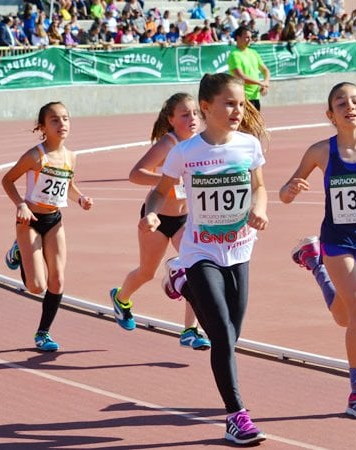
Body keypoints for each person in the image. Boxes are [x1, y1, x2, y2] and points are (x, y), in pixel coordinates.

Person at [142, 73, 268, 445]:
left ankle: (179, 282)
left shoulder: (248, 146)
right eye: (230, 103)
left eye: (241, 104)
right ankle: (236, 416)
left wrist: (260, 209)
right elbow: (158, 192)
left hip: (240, 248)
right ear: (207, 107)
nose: (237, 110)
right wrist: (151, 213)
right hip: (200, 250)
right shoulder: (185, 152)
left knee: (231, 334)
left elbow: (260, 186)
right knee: (222, 335)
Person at [279, 82, 356, 419]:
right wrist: (290, 189)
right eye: (341, 103)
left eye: (354, 101)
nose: (349, 106)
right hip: (337, 243)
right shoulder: (321, 152)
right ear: (330, 115)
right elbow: (284, 193)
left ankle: (313, 262)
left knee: (344, 317)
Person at [109, 93, 211, 350]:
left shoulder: (201, 143)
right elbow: (136, 174)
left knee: (197, 268)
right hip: (156, 217)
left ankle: (190, 330)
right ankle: (121, 299)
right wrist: (166, 179)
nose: (193, 119)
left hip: (185, 219)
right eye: (185, 115)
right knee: (146, 273)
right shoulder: (169, 143)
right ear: (171, 119)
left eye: (195, 114)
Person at [0, 102, 93, 352]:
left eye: (65, 118)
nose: (61, 124)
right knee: (36, 286)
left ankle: (43, 333)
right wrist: (21, 204)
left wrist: (81, 198)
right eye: (54, 120)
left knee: (58, 281)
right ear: (42, 127)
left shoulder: (71, 157)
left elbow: (68, 187)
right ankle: (18, 251)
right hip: (29, 220)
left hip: (54, 220)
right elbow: (7, 180)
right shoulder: (35, 156)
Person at [227, 26, 270, 111]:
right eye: (247, 37)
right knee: (244, 124)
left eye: (251, 37)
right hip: (242, 98)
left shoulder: (253, 52)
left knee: (256, 124)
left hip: (255, 96)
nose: (250, 40)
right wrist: (260, 83)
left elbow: (265, 70)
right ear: (238, 38)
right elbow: (241, 77)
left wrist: (266, 82)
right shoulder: (234, 55)